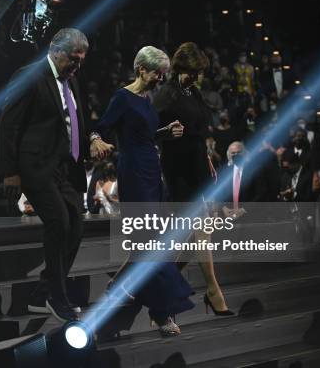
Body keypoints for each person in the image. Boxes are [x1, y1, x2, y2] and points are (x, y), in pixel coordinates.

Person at [90, 46, 193, 336]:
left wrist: (164, 132)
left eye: (163, 75)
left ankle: (120, 283)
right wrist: (96, 140)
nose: (160, 80)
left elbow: (145, 136)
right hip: (134, 171)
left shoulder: (147, 100)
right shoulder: (123, 97)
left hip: (152, 170)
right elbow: (101, 127)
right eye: (157, 74)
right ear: (141, 70)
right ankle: (162, 313)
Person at [0, 28, 100, 322]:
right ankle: (57, 296)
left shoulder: (72, 80)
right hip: (35, 165)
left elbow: (78, 118)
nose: (78, 65)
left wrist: (91, 139)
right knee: (58, 221)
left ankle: (42, 293)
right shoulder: (29, 75)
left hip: (65, 167)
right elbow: (9, 125)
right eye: (73, 59)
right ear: (56, 51)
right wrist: (10, 172)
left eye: (82, 60)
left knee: (76, 226)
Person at [154, 42, 233, 316]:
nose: (195, 76)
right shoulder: (166, 93)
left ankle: (161, 291)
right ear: (179, 67)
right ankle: (213, 291)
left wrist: (208, 158)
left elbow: (199, 131)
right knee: (201, 231)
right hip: (178, 168)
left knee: (191, 237)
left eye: (197, 72)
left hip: (199, 164)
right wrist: (165, 132)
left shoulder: (194, 92)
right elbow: (150, 129)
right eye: (191, 71)